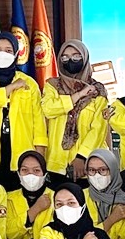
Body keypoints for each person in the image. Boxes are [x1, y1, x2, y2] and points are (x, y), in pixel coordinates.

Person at [0, 32, 47, 190]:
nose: (2, 54)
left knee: (18, 197)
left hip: (22, 153)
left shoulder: (29, 83)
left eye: (8, 51)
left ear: (15, 54)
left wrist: (40, 153)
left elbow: (38, 122)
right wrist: (11, 87)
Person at [41, 40, 108, 178]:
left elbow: (98, 128)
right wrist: (78, 96)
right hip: (56, 163)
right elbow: (48, 109)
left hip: (89, 165)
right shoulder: (52, 86)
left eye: (76, 56)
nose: (70, 61)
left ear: (85, 58)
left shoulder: (97, 90)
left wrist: (82, 157)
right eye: (65, 57)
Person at [0, 150, 51, 239]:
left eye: (36, 171)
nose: (30, 175)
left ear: (45, 174)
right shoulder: (9, 198)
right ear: (18, 174)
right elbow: (9, 234)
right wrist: (33, 211)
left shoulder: (56, 198)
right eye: (25, 170)